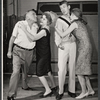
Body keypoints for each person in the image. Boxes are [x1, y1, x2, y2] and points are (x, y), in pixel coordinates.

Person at [55, 8, 95, 99]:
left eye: (71, 15)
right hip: (87, 47)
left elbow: (62, 34)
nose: (69, 16)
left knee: (79, 72)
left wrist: (56, 27)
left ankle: (84, 92)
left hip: (84, 48)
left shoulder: (74, 23)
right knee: (83, 70)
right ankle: (90, 90)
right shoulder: (80, 23)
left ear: (75, 16)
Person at [19, 12, 57, 98]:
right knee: (48, 70)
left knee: (39, 73)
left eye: (44, 19)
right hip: (44, 52)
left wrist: (24, 29)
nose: (41, 20)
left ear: (48, 22)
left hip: (43, 54)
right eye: (41, 18)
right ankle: (54, 86)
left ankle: (48, 90)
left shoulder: (44, 30)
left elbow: (33, 38)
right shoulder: (43, 27)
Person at [7, 9, 38, 100]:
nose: (36, 16)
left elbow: (33, 39)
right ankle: (11, 94)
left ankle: (24, 86)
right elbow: (12, 38)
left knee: (25, 72)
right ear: (27, 17)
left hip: (29, 52)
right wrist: (9, 51)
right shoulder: (19, 24)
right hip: (18, 51)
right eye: (33, 14)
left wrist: (34, 52)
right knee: (16, 72)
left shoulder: (35, 26)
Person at [55, 0, 76, 99]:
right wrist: (58, 44)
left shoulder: (75, 18)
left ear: (69, 7)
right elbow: (57, 34)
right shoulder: (59, 20)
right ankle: (60, 91)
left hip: (73, 45)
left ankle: (72, 90)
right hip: (64, 45)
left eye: (64, 7)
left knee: (72, 68)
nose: (62, 9)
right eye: (61, 8)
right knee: (62, 69)